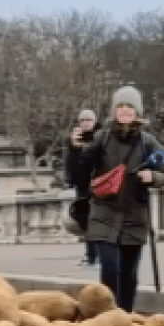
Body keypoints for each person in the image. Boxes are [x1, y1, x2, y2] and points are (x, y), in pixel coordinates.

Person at [71, 86, 164, 313]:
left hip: (135, 215)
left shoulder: (149, 143)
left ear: (138, 112)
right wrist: (75, 147)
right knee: (109, 268)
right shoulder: (101, 138)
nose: (125, 111)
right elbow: (81, 166)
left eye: (130, 107)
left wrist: (153, 176)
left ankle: (125, 316)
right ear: (114, 111)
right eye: (121, 107)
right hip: (104, 212)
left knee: (129, 273)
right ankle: (108, 315)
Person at [65, 108, 101, 267]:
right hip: (82, 186)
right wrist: (74, 148)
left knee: (98, 221)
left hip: (100, 185)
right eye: (82, 120)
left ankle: (97, 254)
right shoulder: (75, 140)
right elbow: (70, 167)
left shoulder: (101, 137)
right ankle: (90, 254)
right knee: (85, 221)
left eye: (88, 120)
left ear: (95, 121)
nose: (85, 123)